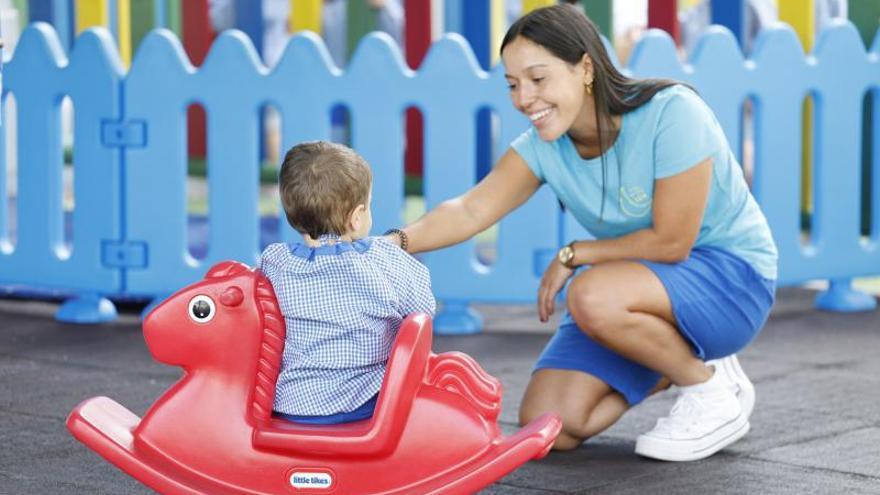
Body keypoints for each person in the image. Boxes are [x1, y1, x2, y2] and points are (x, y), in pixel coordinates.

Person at [384, 5, 777, 461]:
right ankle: (679, 359)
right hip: (639, 289)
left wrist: (574, 253)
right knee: (551, 423)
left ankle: (708, 389)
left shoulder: (672, 113)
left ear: (585, 67)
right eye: (513, 85)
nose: (524, 98)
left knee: (590, 295)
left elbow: (673, 242)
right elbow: (472, 209)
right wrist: (393, 243)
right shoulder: (543, 148)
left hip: (732, 279)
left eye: (538, 79)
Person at [260, 141, 435, 425]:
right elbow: (422, 311)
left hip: (293, 401)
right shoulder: (384, 259)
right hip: (365, 400)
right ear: (356, 217)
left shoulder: (276, 261)